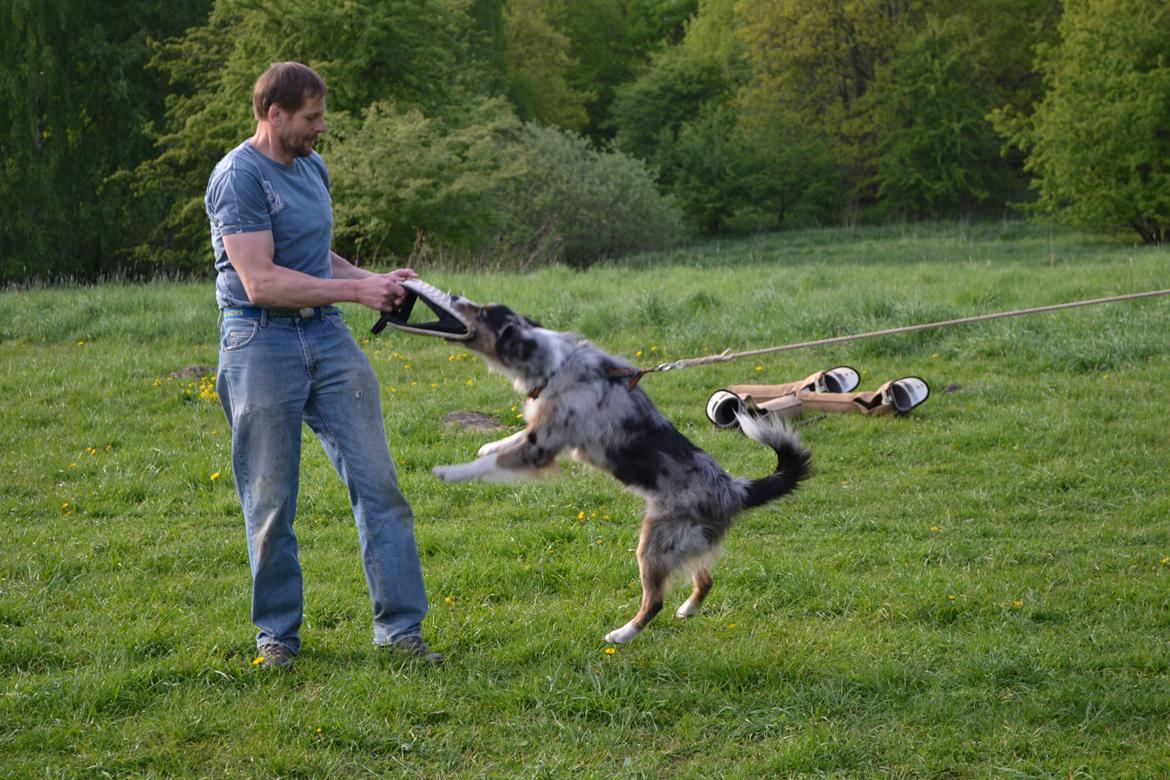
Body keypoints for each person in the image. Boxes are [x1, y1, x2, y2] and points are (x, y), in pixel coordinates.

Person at [205, 61, 440, 667]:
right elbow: (260, 281)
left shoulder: (311, 166)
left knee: (379, 486)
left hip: (328, 340)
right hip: (259, 342)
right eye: (311, 118)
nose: (321, 127)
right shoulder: (239, 177)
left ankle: (400, 631)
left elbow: (316, 258)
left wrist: (373, 280)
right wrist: (355, 294)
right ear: (274, 113)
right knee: (272, 499)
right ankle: (277, 638)